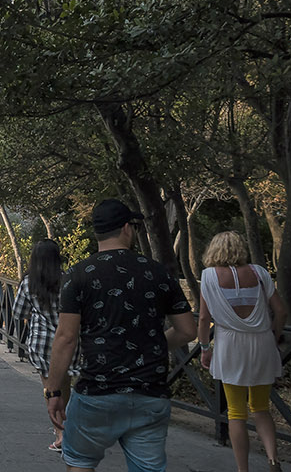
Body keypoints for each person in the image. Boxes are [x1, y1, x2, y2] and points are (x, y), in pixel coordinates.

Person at [46, 199, 196, 472]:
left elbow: (66, 338)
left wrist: (54, 391)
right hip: (150, 394)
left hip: (97, 392)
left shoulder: (78, 275)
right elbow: (188, 330)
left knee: (79, 463)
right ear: (127, 228)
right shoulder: (159, 272)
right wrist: (153, 344)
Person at [198, 231, 287, 472]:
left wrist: (205, 348)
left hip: (230, 345)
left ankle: (243, 469)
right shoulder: (259, 273)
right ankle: (272, 460)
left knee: (236, 411)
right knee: (260, 407)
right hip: (262, 343)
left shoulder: (208, 277)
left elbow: (204, 318)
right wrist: (274, 336)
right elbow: (280, 310)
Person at [10, 238, 78, 451]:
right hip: (68, 341)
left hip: (41, 343)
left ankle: (59, 434)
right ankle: (65, 426)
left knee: (50, 388)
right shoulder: (69, 281)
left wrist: (36, 314)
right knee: (65, 384)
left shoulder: (30, 283)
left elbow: (17, 313)